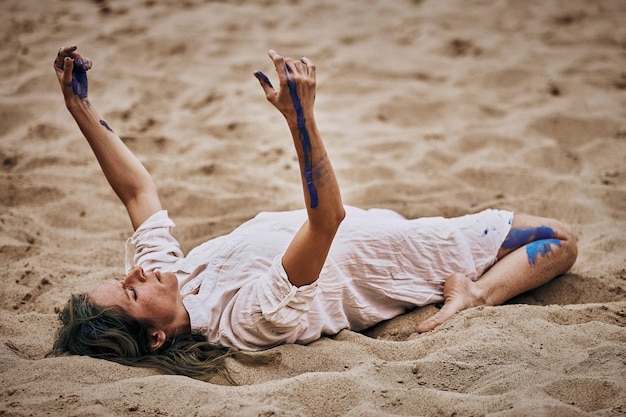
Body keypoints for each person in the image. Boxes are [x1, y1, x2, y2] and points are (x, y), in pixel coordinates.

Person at [49, 45, 577, 382]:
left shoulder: (177, 278)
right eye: (132, 292)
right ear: (158, 336)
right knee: (560, 239)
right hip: (407, 257)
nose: (136, 273)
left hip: (382, 227)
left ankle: (476, 287)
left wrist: (81, 109)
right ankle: (476, 294)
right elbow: (326, 221)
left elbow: (138, 193)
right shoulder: (246, 321)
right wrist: (300, 119)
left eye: (124, 279)